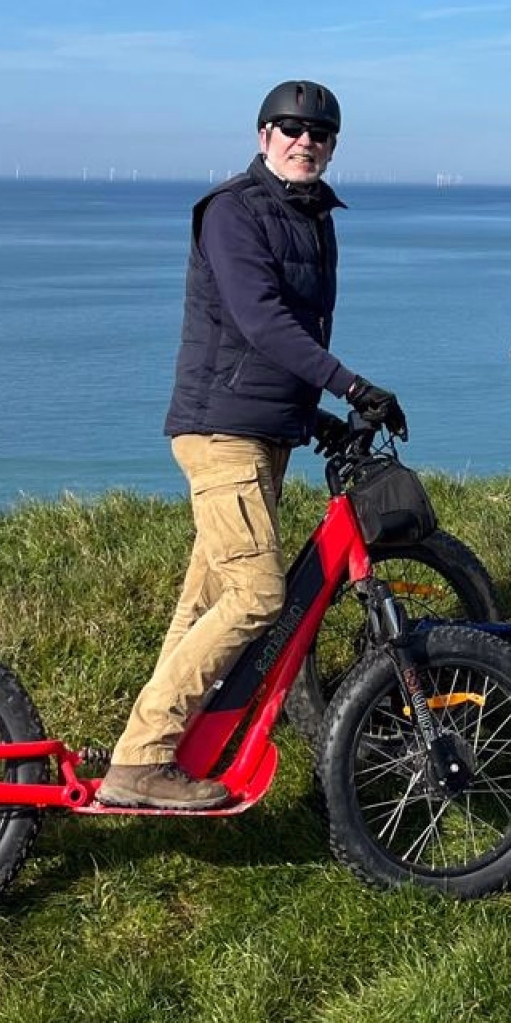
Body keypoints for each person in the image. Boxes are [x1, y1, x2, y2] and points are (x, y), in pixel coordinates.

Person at [99, 80, 406, 809]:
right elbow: (261, 321)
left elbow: (287, 341)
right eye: (290, 128)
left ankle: (168, 742)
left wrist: (317, 418)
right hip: (220, 432)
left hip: (262, 430)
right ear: (263, 134)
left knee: (203, 602)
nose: (306, 141)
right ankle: (140, 762)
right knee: (259, 594)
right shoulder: (233, 211)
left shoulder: (313, 216)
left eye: (321, 134)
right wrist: (352, 387)